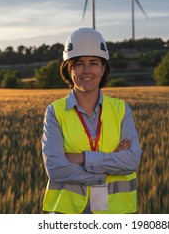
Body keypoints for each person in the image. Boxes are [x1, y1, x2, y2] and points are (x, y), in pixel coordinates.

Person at [41, 27, 143, 214]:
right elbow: (55, 168)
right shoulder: (55, 112)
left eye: (94, 63)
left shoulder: (121, 109)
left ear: (103, 68)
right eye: (79, 63)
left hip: (115, 214)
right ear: (68, 69)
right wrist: (107, 169)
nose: (86, 71)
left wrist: (81, 158)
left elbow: (131, 160)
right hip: (67, 214)